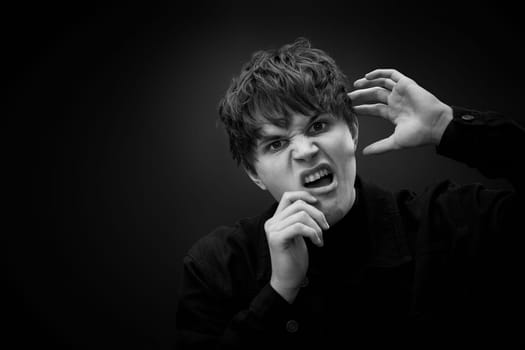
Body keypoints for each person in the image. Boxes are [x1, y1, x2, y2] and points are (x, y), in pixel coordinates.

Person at [175, 38, 524, 348]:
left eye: (318, 125)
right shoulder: (217, 266)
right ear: (255, 173)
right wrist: (279, 292)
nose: (305, 150)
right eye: (277, 143)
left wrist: (447, 127)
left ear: (353, 132)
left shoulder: (449, 223)